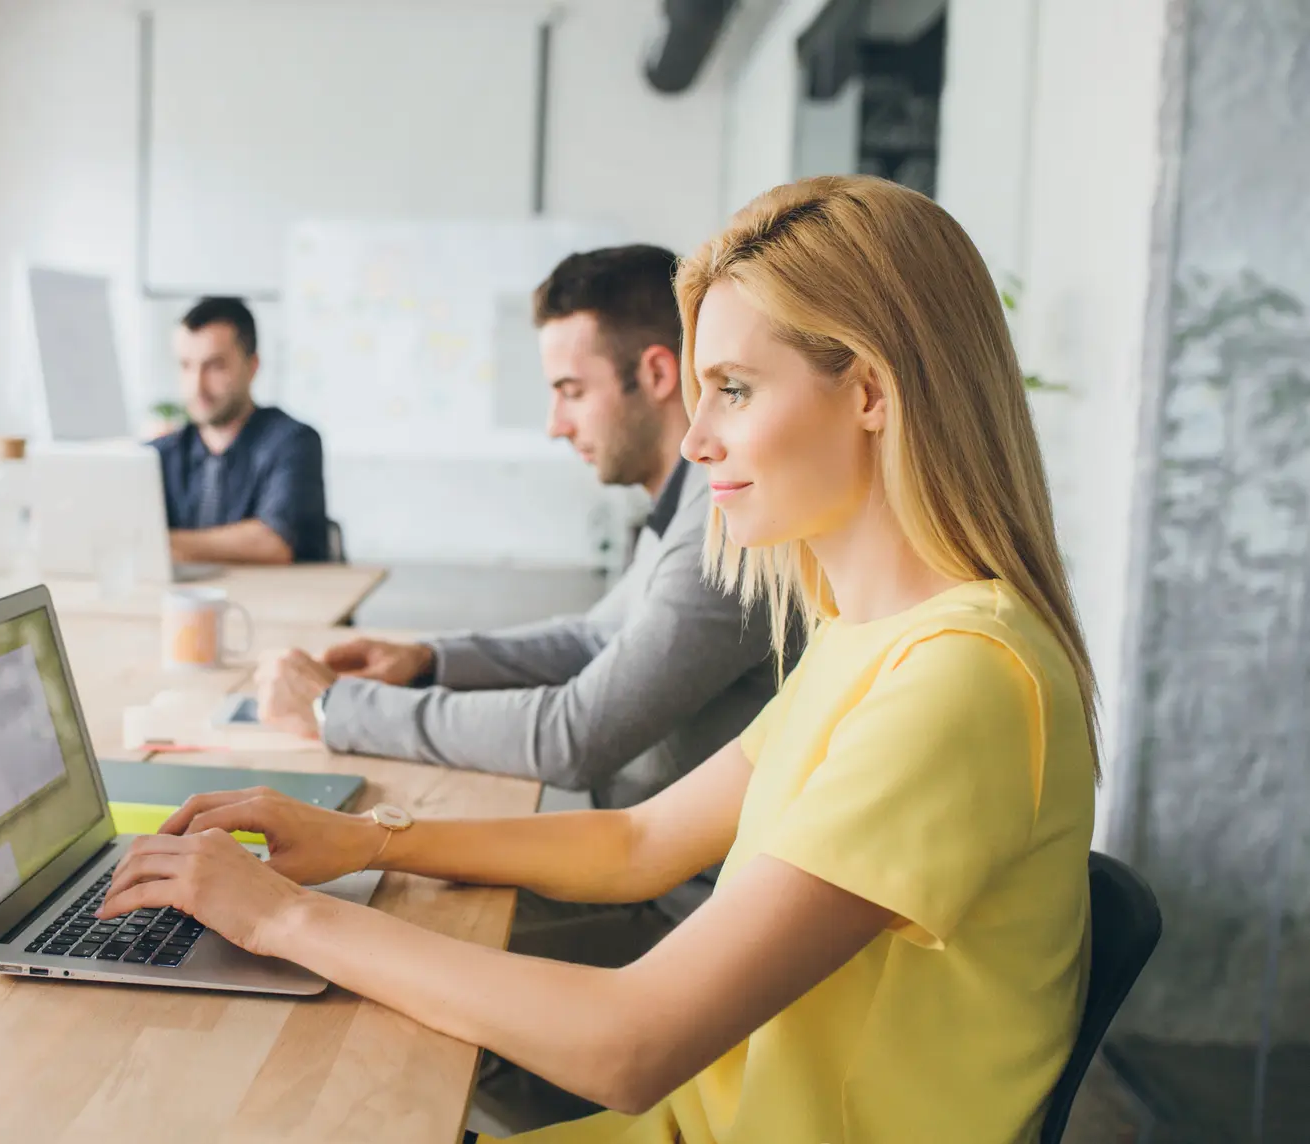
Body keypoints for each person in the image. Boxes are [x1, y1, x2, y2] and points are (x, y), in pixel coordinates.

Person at [99, 175, 1099, 1144]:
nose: (698, 440)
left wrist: (282, 919)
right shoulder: (867, 636)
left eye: (735, 391)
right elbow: (640, 842)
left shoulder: (960, 679)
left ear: (872, 392)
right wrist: (368, 843)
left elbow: (633, 1042)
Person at [251, 246, 782, 968]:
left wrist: (337, 712)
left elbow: (573, 735)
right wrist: (429, 659)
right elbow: (597, 637)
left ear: (655, 374)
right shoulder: (689, 506)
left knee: (368, 943)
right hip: (640, 874)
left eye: (569, 389)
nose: (554, 424)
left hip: (680, 918)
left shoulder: (730, 529)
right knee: (374, 912)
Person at [151, 296, 328, 564]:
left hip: (279, 601)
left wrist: (157, 541)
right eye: (186, 366)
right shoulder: (163, 453)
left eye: (215, 366)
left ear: (252, 366)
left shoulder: (293, 443)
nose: (196, 386)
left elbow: (272, 543)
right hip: (185, 603)